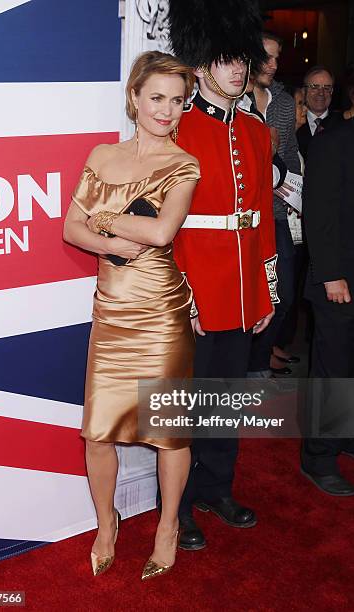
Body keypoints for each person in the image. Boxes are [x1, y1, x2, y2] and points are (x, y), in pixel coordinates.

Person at [63, 51, 200, 580]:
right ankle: (106, 523)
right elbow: (69, 230)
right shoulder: (102, 155)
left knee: (168, 430)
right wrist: (118, 231)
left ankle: (167, 527)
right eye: (157, 98)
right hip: (113, 311)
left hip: (162, 314)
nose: (168, 111)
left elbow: (163, 233)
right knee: (98, 433)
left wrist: (102, 217)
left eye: (178, 101)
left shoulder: (184, 164)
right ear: (134, 99)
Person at [168, 0, 278, 551]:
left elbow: (261, 220)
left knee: (228, 399)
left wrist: (267, 293)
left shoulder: (259, 135)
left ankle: (217, 487)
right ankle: (181, 507)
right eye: (227, 60)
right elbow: (169, 228)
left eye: (244, 60)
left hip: (241, 294)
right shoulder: (179, 131)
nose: (239, 70)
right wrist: (182, 295)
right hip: (196, 292)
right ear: (204, 65)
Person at [301, 51, 354, 496]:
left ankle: (352, 436)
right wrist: (331, 274)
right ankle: (318, 457)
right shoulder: (334, 140)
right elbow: (319, 215)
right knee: (332, 375)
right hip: (341, 284)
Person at [248, 32, 302, 377]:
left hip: (277, 213)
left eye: (277, 57)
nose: (274, 64)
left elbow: (291, 158)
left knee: (282, 295)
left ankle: (260, 359)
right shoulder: (232, 103)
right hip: (239, 216)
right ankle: (246, 365)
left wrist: (291, 186)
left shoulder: (282, 103)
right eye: (267, 56)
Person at [297, 65, 342, 161]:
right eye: (314, 87)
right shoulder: (294, 124)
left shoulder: (343, 124)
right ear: (304, 91)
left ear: (332, 91)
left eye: (326, 88)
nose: (321, 93)